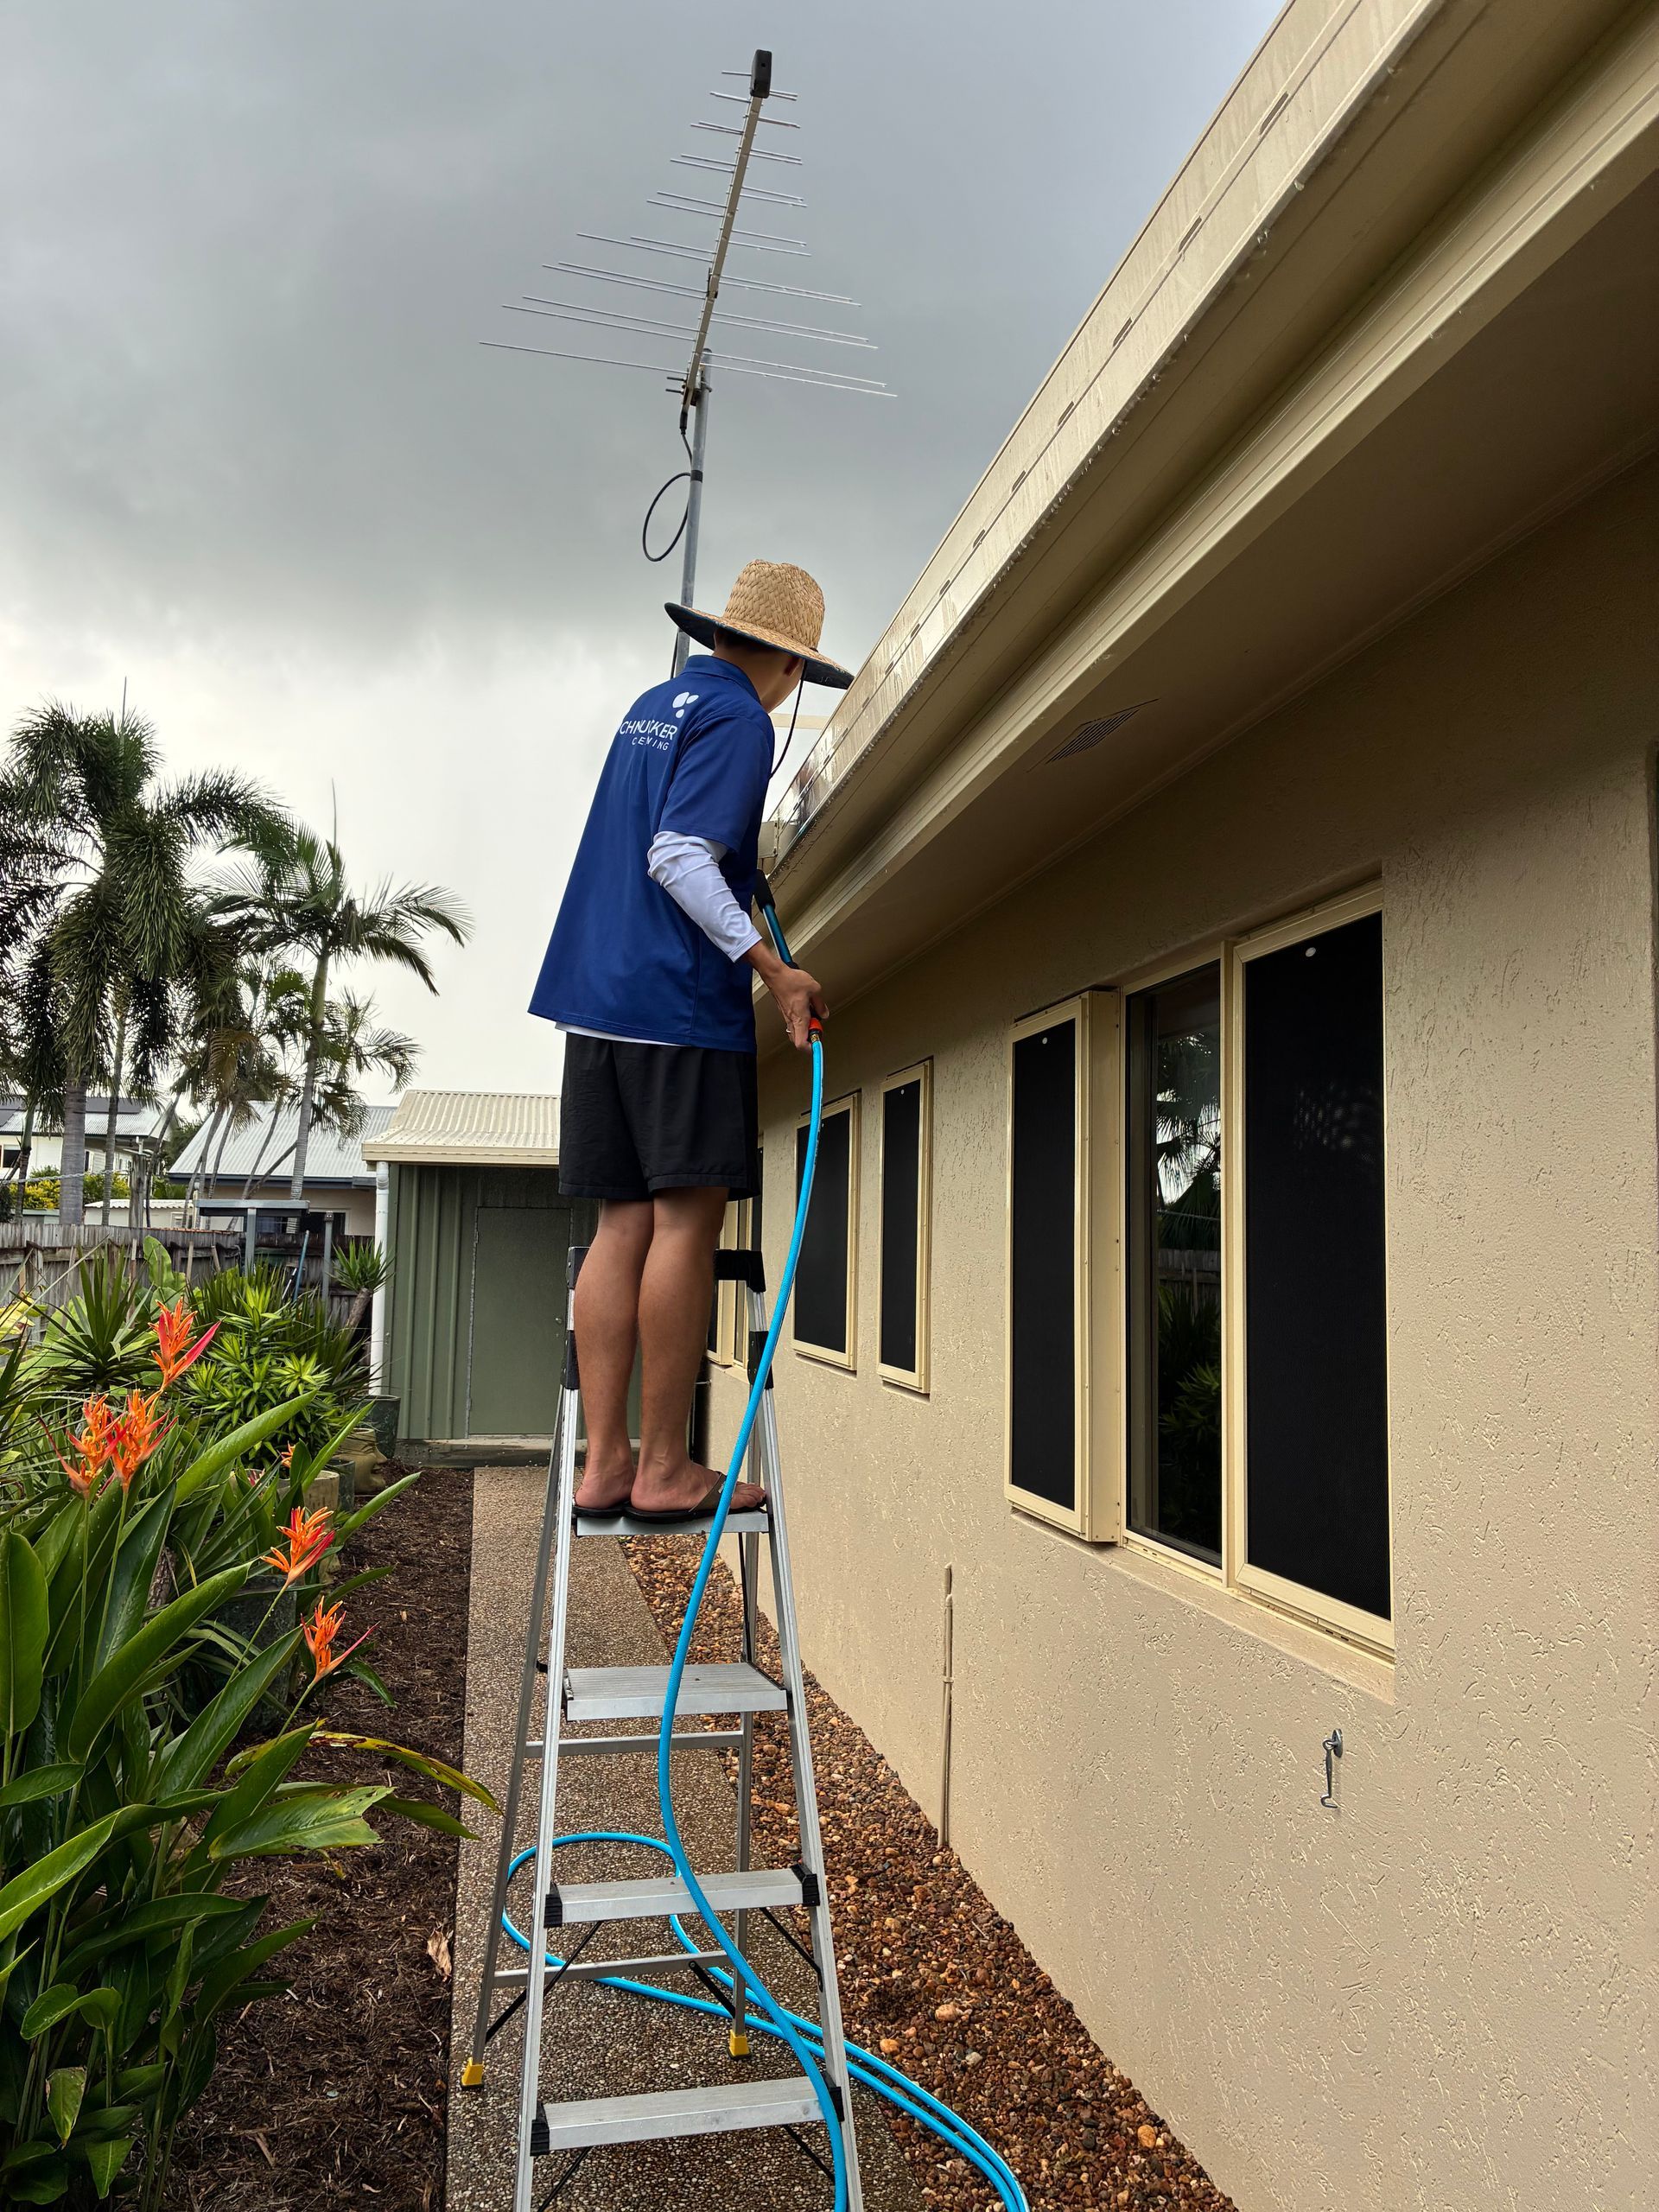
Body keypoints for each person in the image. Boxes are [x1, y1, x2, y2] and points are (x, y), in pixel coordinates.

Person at [530, 559, 853, 1520]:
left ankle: (607, 1463)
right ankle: (667, 1466)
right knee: (684, 1223)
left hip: (596, 997)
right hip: (673, 1006)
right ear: (790, 665)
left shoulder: (652, 704)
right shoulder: (743, 720)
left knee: (619, 1224)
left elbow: (663, 843)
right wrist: (774, 968)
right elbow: (676, 854)